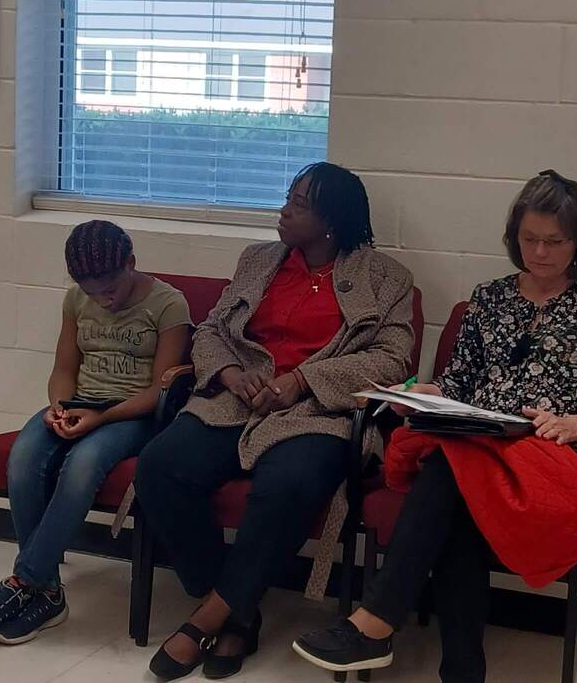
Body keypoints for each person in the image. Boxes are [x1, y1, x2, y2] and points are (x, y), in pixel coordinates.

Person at [293, 170, 577, 682]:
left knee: (451, 478)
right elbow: (459, 382)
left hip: (559, 460)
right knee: (458, 486)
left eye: (554, 241)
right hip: (483, 449)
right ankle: (458, 671)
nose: (540, 252)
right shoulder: (489, 298)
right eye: (529, 238)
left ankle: (376, 624)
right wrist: (429, 395)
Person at [134, 162, 416, 681]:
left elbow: (393, 359)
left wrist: (304, 380)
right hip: (236, 400)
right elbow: (211, 329)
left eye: (299, 205)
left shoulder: (387, 278)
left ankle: (207, 620)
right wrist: (229, 372)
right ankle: (237, 612)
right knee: (159, 467)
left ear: (331, 221)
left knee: (289, 483)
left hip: (319, 412)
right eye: (288, 198)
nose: (283, 211)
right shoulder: (258, 259)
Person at [0, 220, 192, 647]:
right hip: (81, 401)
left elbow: (160, 392)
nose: (103, 298)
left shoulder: (168, 304)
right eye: (91, 290)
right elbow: (64, 368)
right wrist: (58, 406)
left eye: (110, 288)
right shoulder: (75, 300)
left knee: (83, 463)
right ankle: (48, 593)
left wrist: (101, 418)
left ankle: (23, 580)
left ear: (131, 263)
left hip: (133, 414)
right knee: (23, 457)